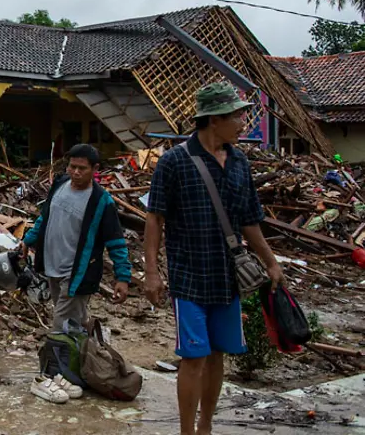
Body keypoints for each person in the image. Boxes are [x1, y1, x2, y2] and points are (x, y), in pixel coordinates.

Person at [143, 83, 285, 435]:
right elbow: (154, 218)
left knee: (218, 353)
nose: (242, 122)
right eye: (236, 116)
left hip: (228, 276)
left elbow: (249, 220)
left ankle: (206, 425)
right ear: (213, 120)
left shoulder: (239, 163)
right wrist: (151, 272)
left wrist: (270, 261)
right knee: (194, 357)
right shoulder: (174, 162)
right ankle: (187, 431)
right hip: (189, 274)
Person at [22, 143, 132, 331]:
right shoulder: (60, 185)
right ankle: (93, 349)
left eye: (82, 168)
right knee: (74, 321)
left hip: (76, 274)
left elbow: (116, 242)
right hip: (52, 267)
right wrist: (28, 239)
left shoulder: (101, 202)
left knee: (61, 327)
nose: (75, 172)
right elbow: (45, 217)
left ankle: (66, 358)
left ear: (95, 169)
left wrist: (122, 277)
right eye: (72, 167)